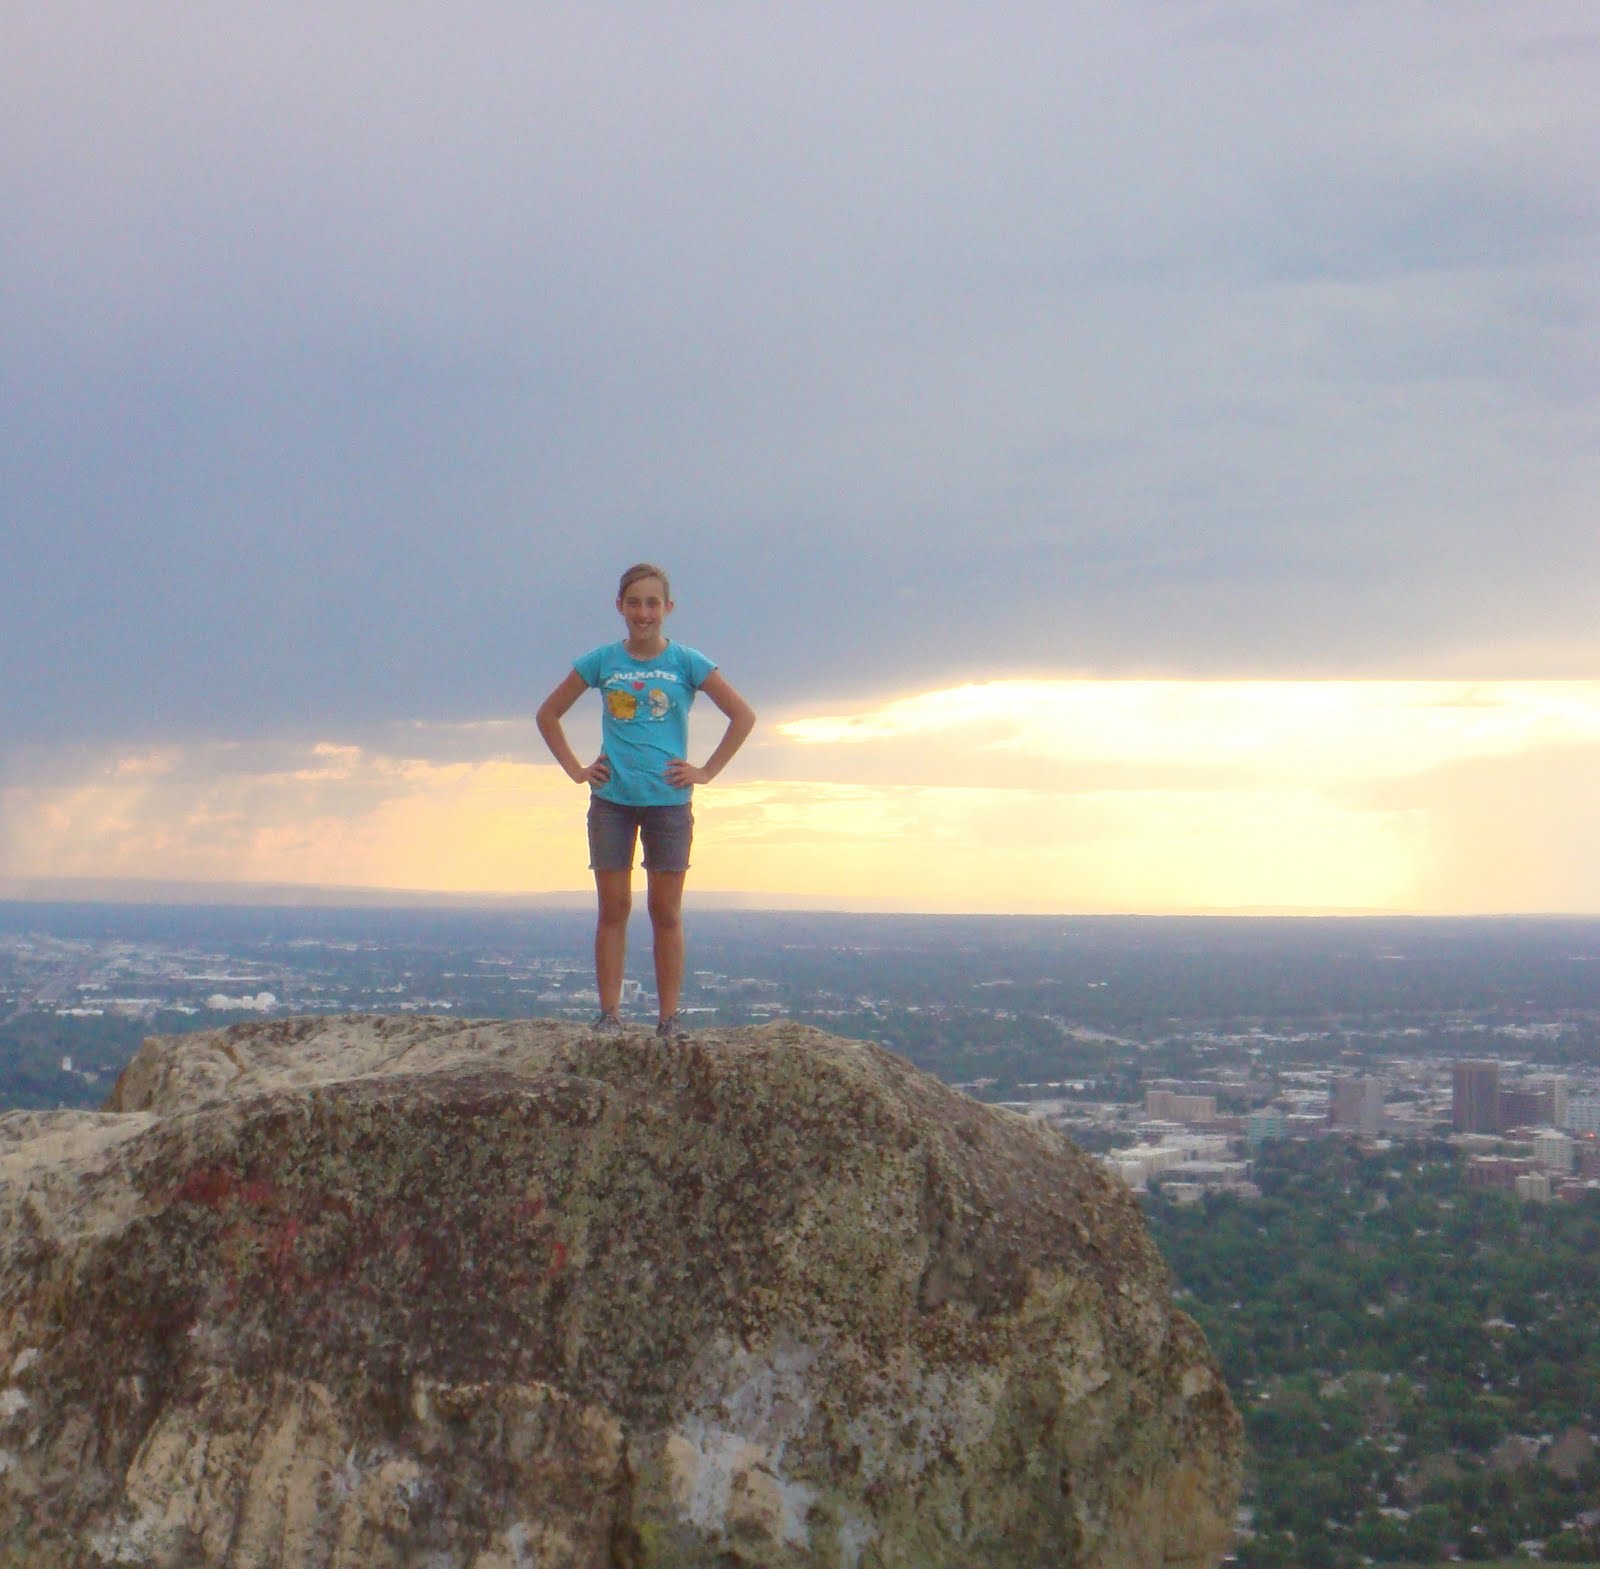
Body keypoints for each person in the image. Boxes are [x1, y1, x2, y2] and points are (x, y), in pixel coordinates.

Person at [536, 563, 756, 1040]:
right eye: (634, 602)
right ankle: (610, 1014)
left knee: (665, 912)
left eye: (652, 603)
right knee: (613, 910)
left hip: (669, 803)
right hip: (612, 800)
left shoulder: (689, 663)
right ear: (620, 607)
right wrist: (577, 770)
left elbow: (742, 715)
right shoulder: (600, 662)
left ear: (668, 608)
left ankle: (668, 1018)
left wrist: (706, 770)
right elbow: (548, 714)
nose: (643, 612)